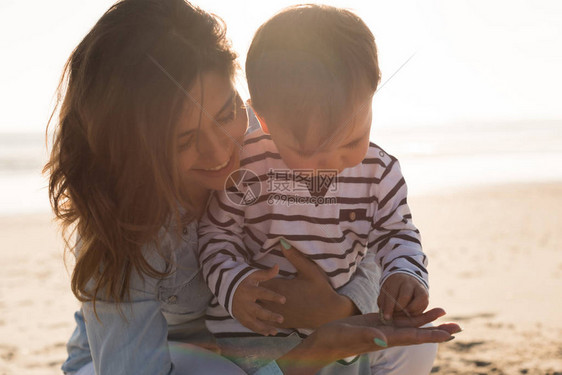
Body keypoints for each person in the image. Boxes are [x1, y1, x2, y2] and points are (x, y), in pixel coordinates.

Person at [44, 0, 460, 374]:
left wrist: (340, 309)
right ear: (139, 148)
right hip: (160, 356)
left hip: (268, 341)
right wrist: (313, 348)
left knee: (410, 349)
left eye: (227, 113)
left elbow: (367, 234)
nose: (222, 151)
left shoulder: (283, 134)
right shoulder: (124, 229)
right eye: (185, 140)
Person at [197, 4, 437, 374]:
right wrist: (237, 286)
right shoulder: (249, 162)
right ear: (263, 118)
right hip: (248, 337)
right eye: (308, 151)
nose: (333, 162)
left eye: (351, 139)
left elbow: (396, 232)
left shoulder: (378, 171)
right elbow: (217, 234)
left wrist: (403, 275)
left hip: (337, 332)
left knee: (417, 347)